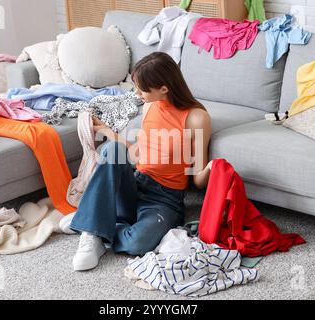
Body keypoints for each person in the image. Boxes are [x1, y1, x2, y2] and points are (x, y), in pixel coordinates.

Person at [66, 52, 212, 271]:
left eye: (141, 89)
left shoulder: (196, 118)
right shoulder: (149, 107)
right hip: (136, 183)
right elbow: (138, 154)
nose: (136, 93)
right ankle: (91, 230)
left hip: (165, 199)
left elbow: (198, 180)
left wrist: (212, 169)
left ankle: (92, 222)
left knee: (137, 243)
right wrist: (107, 131)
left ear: (164, 88)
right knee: (112, 149)